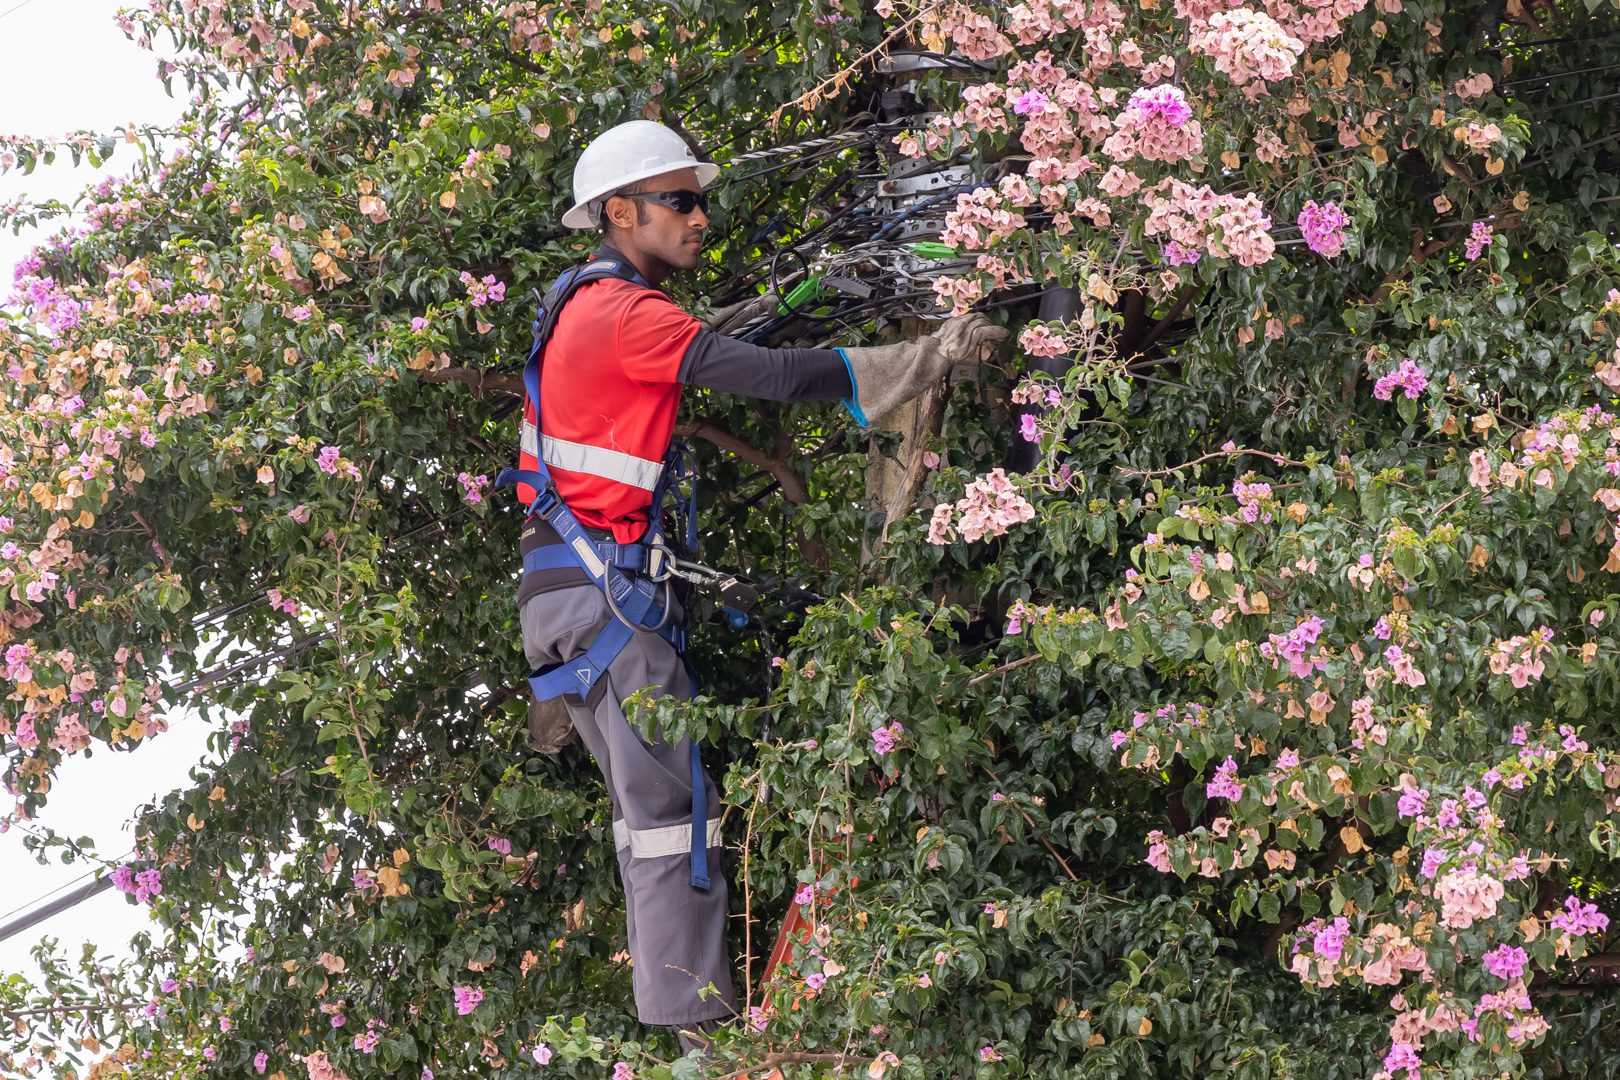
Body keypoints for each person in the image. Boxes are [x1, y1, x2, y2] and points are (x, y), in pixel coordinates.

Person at [511, 119, 1005, 1054]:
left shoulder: (578, 303)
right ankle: (703, 1047)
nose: (701, 216)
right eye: (680, 200)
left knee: (646, 817)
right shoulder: (625, 314)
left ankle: (693, 1024)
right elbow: (768, 375)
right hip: (606, 603)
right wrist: (922, 358)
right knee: (668, 824)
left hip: (565, 605)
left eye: (702, 198)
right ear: (619, 211)